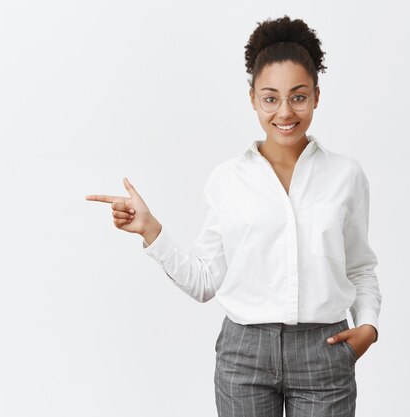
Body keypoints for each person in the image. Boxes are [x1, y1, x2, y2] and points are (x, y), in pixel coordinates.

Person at [85, 14, 381, 417]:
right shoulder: (228, 179)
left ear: (316, 95)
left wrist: (368, 327)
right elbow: (206, 282)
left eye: (298, 96)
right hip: (245, 356)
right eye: (270, 97)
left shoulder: (346, 176)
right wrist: (151, 231)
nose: (285, 112)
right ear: (253, 98)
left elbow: (361, 266)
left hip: (324, 352)